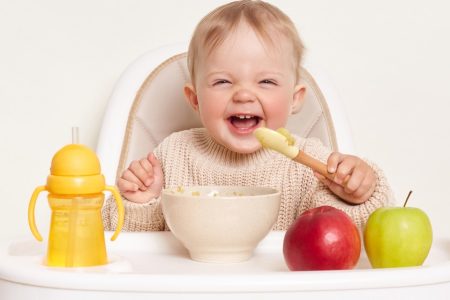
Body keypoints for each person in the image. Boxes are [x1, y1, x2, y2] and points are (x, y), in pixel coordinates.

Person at [102, 0, 393, 232]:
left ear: (295, 99)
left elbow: (346, 237)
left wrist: (358, 194)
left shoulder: (312, 164)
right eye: (222, 82)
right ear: (195, 99)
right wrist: (142, 201)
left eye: (266, 82)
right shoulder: (171, 156)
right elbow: (119, 240)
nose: (243, 95)